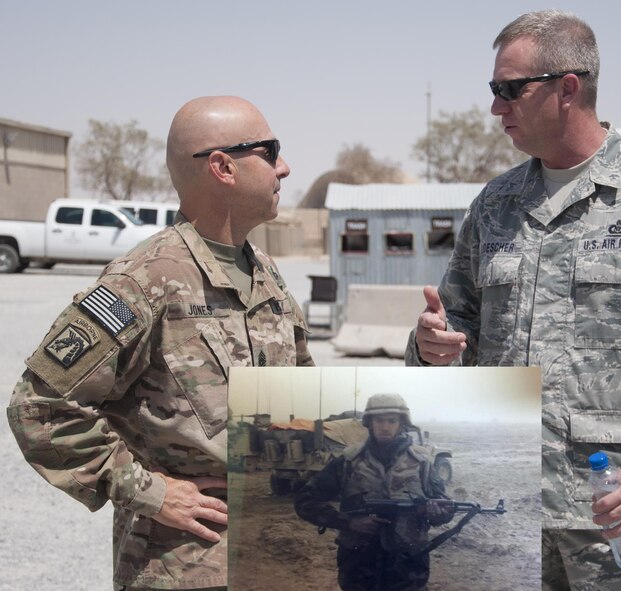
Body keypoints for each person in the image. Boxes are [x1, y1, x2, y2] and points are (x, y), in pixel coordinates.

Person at [406, 10, 621, 590]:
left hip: (620, 523)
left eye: (508, 90)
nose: (496, 107)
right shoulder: (495, 206)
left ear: (567, 88)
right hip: (506, 513)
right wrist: (429, 350)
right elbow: (451, 334)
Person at [6, 95, 314, 590]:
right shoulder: (144, 280)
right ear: (222, 167)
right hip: (185, 565)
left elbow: (301, 395)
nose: (284, 167)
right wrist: (147, 491)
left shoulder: (266, 274)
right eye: (269, 150)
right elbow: (39, 407)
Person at [294, 393, 453, 591]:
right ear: (369, 423)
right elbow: (305, 500)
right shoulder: (349, 461)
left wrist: (437, 512)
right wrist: (349, 523)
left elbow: (443, 507)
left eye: (391, 421)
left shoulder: (421, 462)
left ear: (401, 423)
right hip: (359, 564)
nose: (385, 426)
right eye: (379, 420)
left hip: (407, 567)